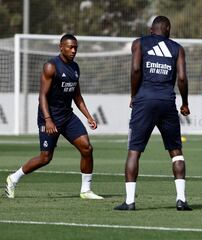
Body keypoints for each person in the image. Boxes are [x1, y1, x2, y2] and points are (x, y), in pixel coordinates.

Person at [5, 34, 103, 200]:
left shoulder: (75, 67)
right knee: (45, 158)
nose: (73, 51)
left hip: (67, 116)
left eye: (75, 48)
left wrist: (88, 116)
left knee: (87, 148)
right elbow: (42, 96)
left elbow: (77, 96)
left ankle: (86, 190)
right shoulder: (51, 67)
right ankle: (13, 178)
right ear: (61, 47)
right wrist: (48, 120)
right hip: (48, 117)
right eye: (70, 47)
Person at [113, 16, 191, 211]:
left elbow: (136, 69)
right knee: (176, 152)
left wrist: (134, 95)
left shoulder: (139, 43)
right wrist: (185, 102)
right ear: (168, 29)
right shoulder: (177, 48)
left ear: (151, 29)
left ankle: (130, 201)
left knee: (134, 151)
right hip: (167, 102)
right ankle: (181, 199)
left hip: (144, 101)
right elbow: (182, 78)